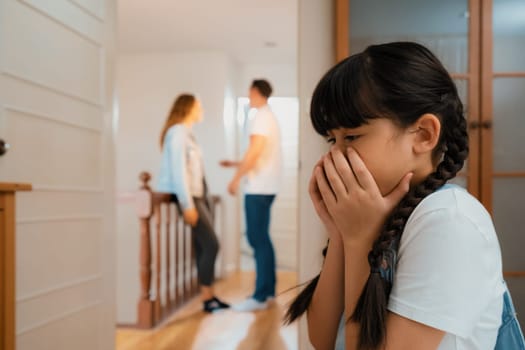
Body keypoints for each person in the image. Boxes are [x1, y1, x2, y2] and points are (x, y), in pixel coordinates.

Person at [285, 42, 525, 349]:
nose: (334, 155)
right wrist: (342, 235)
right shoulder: (376, 213)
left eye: (352, 136)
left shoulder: (448, 219)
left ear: (424, 134)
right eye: (332, 139)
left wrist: (359, 241)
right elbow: (323, 338)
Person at [157, 94, 229, 313]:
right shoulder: (177, 132)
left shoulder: (188, 134)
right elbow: (178, 171)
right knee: (212, 244)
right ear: (187, 107)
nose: (202, 110)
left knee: (203, 246)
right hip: (190, 198)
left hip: (199, 195)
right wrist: (187, 205)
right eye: (199, 106)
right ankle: (207, 298)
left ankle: (209, 296)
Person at [220, 79, 282, 312]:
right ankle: (266, 292)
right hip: (267, 185)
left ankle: (260, 295)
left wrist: (236, 178)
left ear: (256, 92)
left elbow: (255, 152)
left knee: (257, 239)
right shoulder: (268, 116)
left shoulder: (261, 117)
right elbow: (260, 153)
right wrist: (236, 164)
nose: (248, 94)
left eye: (249, 91)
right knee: (261, 238)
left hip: (259, 188)